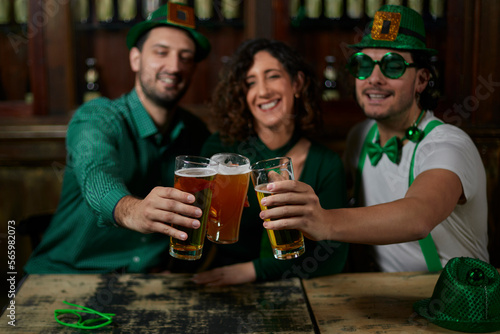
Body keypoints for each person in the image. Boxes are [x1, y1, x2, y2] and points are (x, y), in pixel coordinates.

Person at [259, 5, 489, 272]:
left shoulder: (448, 144)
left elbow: (419, 216)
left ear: (422, 79)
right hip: (379, 296)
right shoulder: (361, 135)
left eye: (393, 66)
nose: (374, 79)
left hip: (453, 301)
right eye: (363, 65)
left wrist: (325, 222)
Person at [24, 3, 212, 274]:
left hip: (150, 284)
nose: (174, 66)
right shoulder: (98, 117)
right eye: (161, 52)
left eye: (186, 57)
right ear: (135, 59)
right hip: (66, 278)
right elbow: (96, 176)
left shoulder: (195, 131)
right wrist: (134, 211)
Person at [190, 38, 349, 286]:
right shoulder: (220, 150)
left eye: (272, 76)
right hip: (223, 290)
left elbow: (332, 255)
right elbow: (197, 228)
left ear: (297, 83)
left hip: (301, 292)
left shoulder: (325, 163)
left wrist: (253, 271)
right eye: (250, 82)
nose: (263, 91)